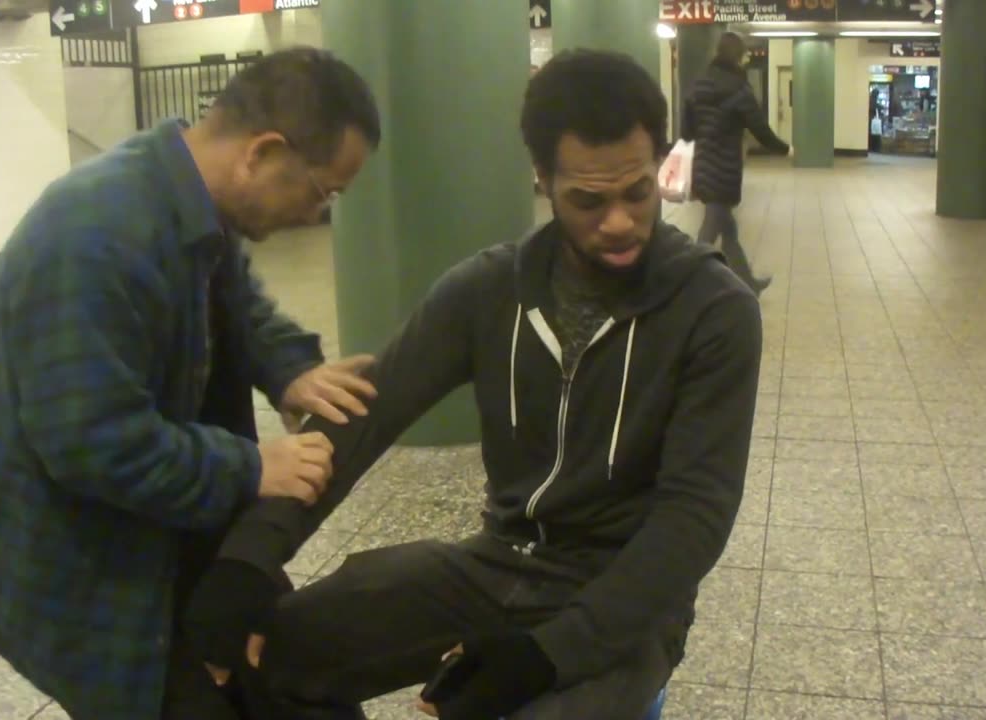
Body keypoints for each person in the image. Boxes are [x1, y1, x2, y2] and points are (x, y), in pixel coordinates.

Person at [184, 49, 763, 720]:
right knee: (265, 659)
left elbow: (694, 517)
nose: (620, 222)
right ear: (542, 180)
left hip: (624, 599)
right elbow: (360, 422)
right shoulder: (487, 290)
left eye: (638, 192)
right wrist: (249, 561)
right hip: (500, 564)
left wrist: (548, 654)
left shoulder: (713, 310)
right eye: (588, 200)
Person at [0, 47, 383, 720]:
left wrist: (289, 368)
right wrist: (250, 466)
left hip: (144, 511)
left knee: (289, 671)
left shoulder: (187, 196)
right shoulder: (95, 233)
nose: (316, 214)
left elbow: (234, 298)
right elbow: (92, 443)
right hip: (54, 552)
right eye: (322, 191)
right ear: (263, 152)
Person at [680, 31, 789, 296]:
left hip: (704, 165)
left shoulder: (700, 84)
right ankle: (686, 286)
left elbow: (686, 131)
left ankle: (747, 282)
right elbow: (759, 127)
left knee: (729, 231)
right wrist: (784, 148)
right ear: (738, 56)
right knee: (709, 233)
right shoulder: (738, 87)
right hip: (725, 167)